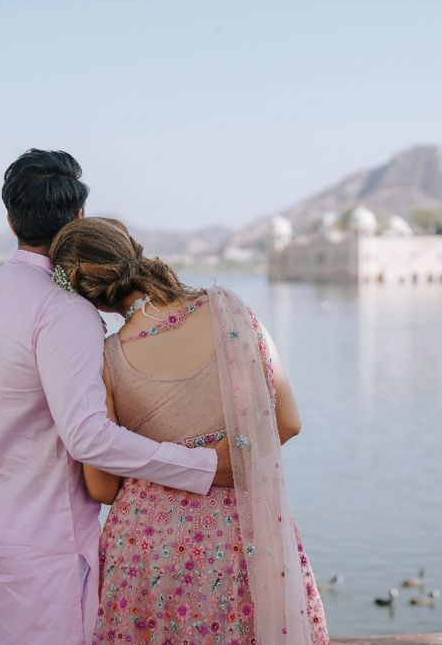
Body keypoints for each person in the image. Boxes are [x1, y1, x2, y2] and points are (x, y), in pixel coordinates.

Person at [0, 150, 234, 645]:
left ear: (10, 221)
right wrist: (200, 466)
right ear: (78, 218)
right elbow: (88, 437)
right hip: (44, 555)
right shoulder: (63, 311)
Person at [49, 217, 329, 644]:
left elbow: (103, 488)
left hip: (145, 555)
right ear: (133, 252)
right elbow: (288, 422)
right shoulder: (228, 309)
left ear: (87, 295)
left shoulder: (105, 360)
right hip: (241, 542)